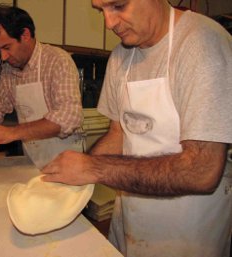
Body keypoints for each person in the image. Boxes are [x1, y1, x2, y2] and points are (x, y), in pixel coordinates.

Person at [41, 0, 232, 256]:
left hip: (187, 230)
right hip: (130, 218)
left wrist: (95, 168)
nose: (109, 23)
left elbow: (203, 170)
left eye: (118, 6)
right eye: (101, 11)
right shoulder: (122, 55)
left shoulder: (202, 42)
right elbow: (118, 134)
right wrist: (73, 175)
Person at [0, 4, 84, 168]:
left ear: (25, 35)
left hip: (68, 161)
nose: (3, 57)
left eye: (7, 47)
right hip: (33, 161)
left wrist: (12, 133)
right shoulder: (9, 70)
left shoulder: (57, 60)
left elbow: (69, 116)